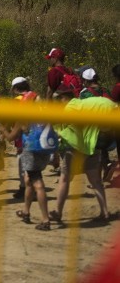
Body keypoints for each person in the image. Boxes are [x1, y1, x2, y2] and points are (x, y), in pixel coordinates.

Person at [49, 89, 116, 225]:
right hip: (92, 145)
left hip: (75, 147)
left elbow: (64, 129)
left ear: (64, 98)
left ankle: (57, 212)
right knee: (96, 181)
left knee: (64, 179)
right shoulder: (83, 105)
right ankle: (105, 212)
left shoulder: (70, 107)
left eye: (59, 99)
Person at [2, 118, 54, 231]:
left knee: (38, 183)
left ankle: (45, 220)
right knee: (28, 180)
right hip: (44, 151)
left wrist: (3, 130)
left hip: (31, 152)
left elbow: (11, 137)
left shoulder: (24, 118)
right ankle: (26, 212)